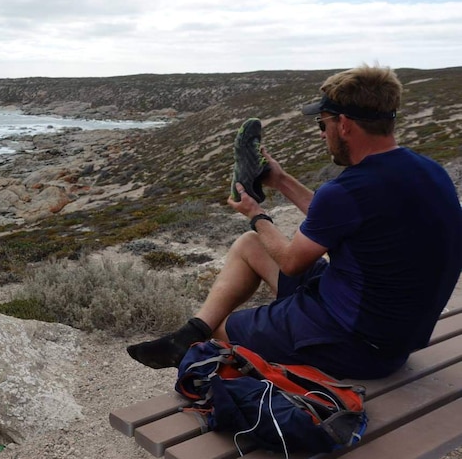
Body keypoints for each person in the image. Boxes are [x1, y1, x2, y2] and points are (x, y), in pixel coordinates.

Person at [127, 65, 462, 380]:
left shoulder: (348, 189)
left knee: (222, 329)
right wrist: (283, 180)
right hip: (388, 333)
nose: (322, 135)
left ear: (344, 124)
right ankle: (188, 332)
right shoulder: (428, 171)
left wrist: (255, 214)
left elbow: (290, 262)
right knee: (250, 246)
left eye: (322, 124)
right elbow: (342, 217)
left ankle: (194, 342)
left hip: (355, 346)